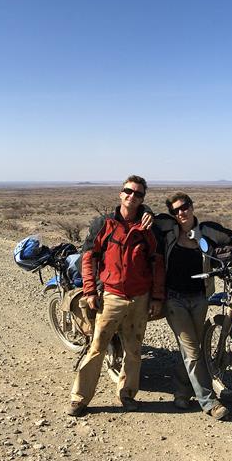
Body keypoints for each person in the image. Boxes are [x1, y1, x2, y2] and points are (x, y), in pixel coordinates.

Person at [67, 175, 165, 417]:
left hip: (140, 298)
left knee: (134, 351)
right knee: (97, 347)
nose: (132, 196)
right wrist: (90, 290)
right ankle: (79, 399)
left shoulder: (148, 227)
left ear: (143, 198)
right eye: (128, 191)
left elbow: (158, 264)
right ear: (120, 194)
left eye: (139, 194)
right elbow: (89, 258)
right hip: (111, 296)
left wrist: (157, 297)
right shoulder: (104, 223)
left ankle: (128, 395)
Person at [153, 192, 232, 420]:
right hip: (174, 299)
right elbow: (145, 221)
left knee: (195, 347)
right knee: (192, 349)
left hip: (200, 298)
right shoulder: (168, 230)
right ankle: (209, 402)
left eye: (185, 206)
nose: (182, 212)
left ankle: (182, 392)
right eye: (176, 210)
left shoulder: (207, 231)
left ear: (192, 206)